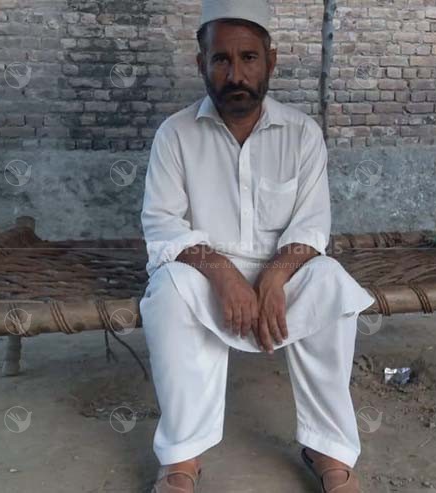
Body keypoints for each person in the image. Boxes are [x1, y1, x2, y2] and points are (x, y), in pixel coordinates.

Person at [139, 1, 375, 491]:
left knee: (331, 282)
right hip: (207, 279)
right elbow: (163, 225)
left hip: (283, 279)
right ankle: (182, 458)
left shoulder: (302, 133)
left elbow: (312, 227)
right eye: (220, 59)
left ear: (271, 60)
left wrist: (274, 277)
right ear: (200, 63)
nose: (235, 75)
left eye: (248, 58)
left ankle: (328, 450)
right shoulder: (175, 135)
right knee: (168, 290)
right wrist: (224, 274)